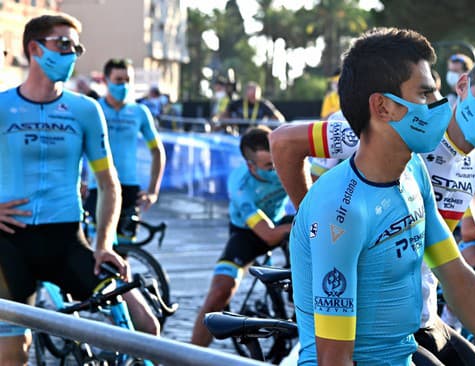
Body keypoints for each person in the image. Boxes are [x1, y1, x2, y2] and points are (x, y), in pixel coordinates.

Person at [270, 45, 475, 364]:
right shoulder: (399, 128)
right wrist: (319, 232)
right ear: (463, 85)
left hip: (425, 315)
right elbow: (284, 142)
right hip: (368, 328)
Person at [0, 14, 160, 364]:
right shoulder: (2, 107)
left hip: (67, 242)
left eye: (77, 47)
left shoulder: (85, 109)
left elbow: (108, 183)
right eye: (64, 45)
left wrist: (104, 244)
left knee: (145, 326)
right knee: (13, 354)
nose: (73, 54)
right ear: (34, 49)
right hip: (9, 244)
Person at [190, 126, 293, 347]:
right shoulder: (240, 185)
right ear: (250, 165)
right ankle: (187, 359)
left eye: (276, 162)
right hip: (248, 233)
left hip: (279, 222)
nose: (275, 170)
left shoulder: (285, 162)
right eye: (268, 166)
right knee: (219, 292)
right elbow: (267, 235)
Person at [83, 58, 166, 240]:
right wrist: (79, 180)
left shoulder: (140, 112)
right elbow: (79, 147)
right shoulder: (95, 109)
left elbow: (157, 151)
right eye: (118, 80)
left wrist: (153, 191)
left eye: (128, 80)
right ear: (106, 81)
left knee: (123, 253)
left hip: (128, 188)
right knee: (93, 251)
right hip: (99, 187)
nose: (124, 85)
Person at [217, 81, 285, 134]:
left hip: (257, 135)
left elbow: (279, 119)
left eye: (255, 95)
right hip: (239, 135)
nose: (253, 98)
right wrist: (231, 120)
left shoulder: (264, 104)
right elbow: (222, 117)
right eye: (251, 95)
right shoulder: (237, 103)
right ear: (246, 94)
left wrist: (267, 127)